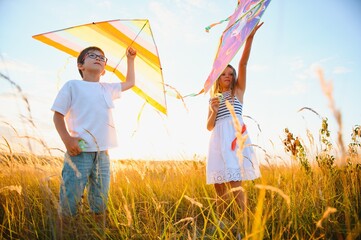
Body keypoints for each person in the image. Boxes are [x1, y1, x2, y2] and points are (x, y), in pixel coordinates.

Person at [52, 46, 136, 222]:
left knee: (100, 198)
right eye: (92, 55)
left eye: (102, 57)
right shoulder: (73, 86)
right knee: (71, 196)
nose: (98, 58)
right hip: (79, 150)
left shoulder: (107, 88)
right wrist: (67, 140)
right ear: (81, 65)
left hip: (103, 152)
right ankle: (67, 228)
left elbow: (130, 83)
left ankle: (95, 228)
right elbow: (58, 115)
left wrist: (130, 59)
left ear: (104, 69)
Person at [206, 23, 263, 216]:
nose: (228, 76)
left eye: (230, 74)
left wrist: (250, 38)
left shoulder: (238, 92)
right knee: (219, 186)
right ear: (218, 77)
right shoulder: (213, 98)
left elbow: (243, 63)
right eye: (223, 74)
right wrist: (213, 110)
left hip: (234, 140)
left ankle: (244, 224)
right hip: (217, 140)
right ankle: (222, 223)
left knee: (236, 184)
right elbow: (208, 126)